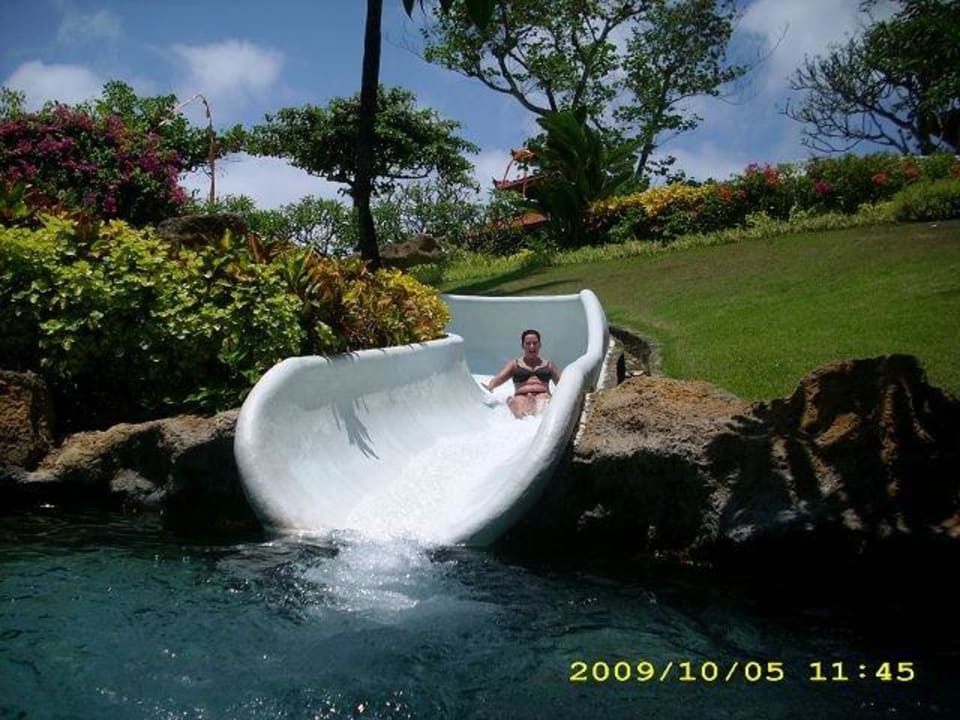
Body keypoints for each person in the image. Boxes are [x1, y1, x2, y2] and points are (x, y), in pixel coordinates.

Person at [483, 329, 562, 418]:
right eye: (528, 344)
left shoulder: (549, 365)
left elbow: (562, 384)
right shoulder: (515, 364)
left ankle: (532, 408)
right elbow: (501, 377)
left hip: (542, 394)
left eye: (535, 343)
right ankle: (520, 411)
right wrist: (491, 385)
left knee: (543, 399)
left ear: (540, 345)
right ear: (522, 346)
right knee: (520, 400)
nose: (532, 346)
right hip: (522, 395)